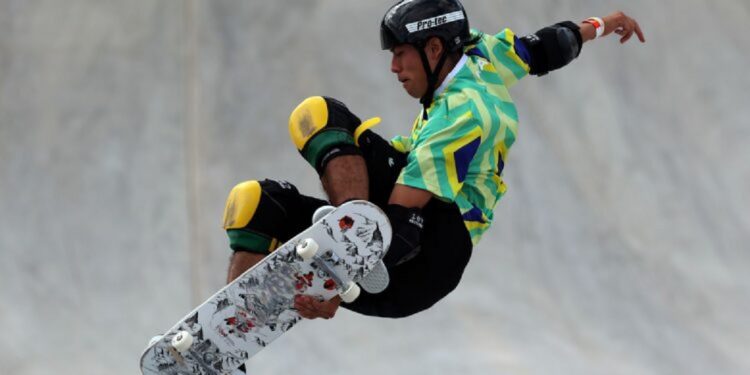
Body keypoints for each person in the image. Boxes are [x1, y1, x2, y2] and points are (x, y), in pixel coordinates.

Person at [223, 0, 645, 323]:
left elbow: (404, 224)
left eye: (401, 54)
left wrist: (334, 281)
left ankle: (349, 244)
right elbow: (547, 47)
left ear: (434, 47)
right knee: (255, 204)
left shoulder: (462, 114)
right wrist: (605, 24)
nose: (393, 67)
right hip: (395, 253)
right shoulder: (481, 55)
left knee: (318, 115)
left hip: (425, 258)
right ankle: (227, 338)